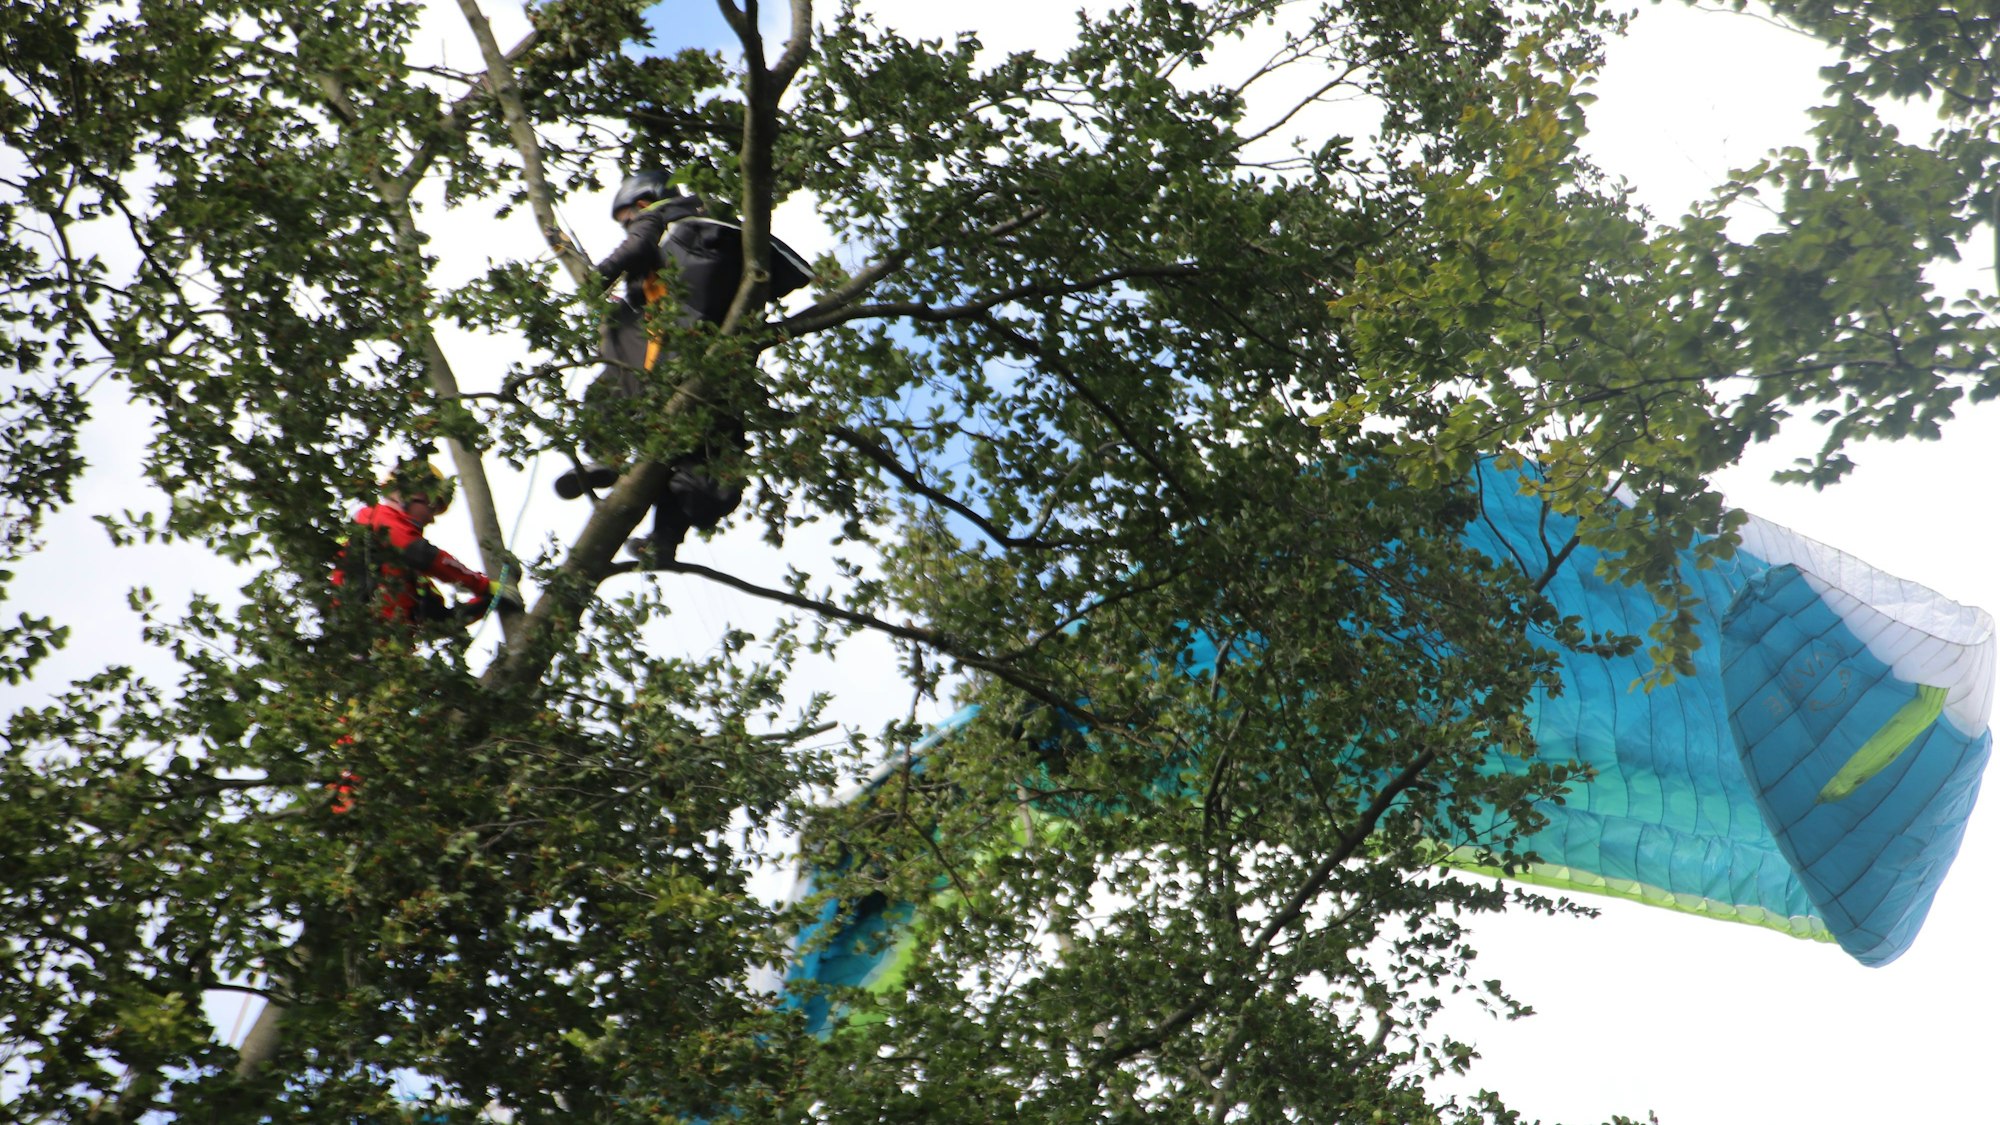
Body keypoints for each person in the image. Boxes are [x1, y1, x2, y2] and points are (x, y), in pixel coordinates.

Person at [556, 169, 812, 567]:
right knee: (697, 453)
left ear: (640, 203)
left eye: (625, 220)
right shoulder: (711, 228)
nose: (627, 228)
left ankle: (608, 454)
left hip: (671, 340)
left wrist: (596, 279)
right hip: (714, 362)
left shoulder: (657, 215)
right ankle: (663, 542)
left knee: (610, 364)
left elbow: (636, 249)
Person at [332, 461, 522, 627]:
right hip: (359, 637)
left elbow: (441, 620)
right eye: (432, 506)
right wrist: (483, 585)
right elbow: (422, 554)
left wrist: (490, 600)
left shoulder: (408, 573)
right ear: (408, 493)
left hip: (390, 654)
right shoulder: (374, 517)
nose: (431, 518)